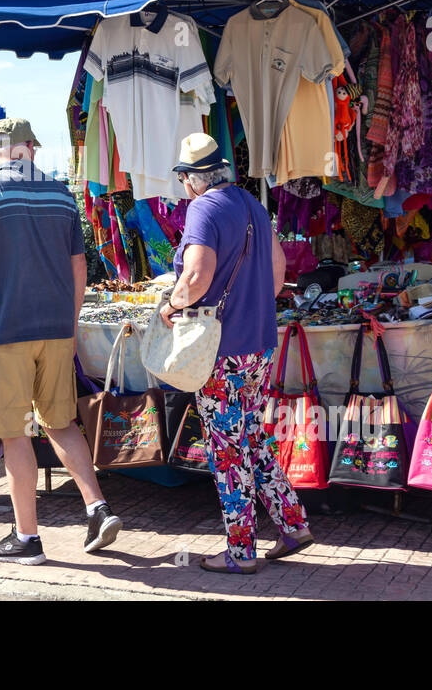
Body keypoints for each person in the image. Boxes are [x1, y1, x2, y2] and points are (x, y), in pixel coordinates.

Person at [0, 118, 122, 565]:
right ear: (31, 148)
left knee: (14, 433)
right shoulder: (61, 194)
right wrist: (70, 326)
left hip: (7, 330)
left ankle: (27, 539)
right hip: (57, 329)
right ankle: (98, 508)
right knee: (61, 423)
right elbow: (80, 267)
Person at [157, 133, 313, 573]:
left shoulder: (203, 209)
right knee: (251, 437)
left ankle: (241, 552)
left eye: (184, 178)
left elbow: (196, 277)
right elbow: (278, 277)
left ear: (191, 179)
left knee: (227, 449)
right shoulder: (252, 205)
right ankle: (293, 523)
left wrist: (171, 304)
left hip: (220, 351)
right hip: (259, 343)